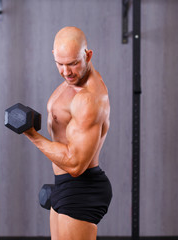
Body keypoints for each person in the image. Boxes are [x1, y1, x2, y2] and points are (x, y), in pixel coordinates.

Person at [23, 26, 112, 240]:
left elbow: (75, 164)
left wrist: (31, 134)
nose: (66, 72)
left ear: (88, 55)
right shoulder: (69, 82)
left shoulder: (88, 98)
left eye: (73, 63)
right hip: (65, 184)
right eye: (60, 64)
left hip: (82, 187)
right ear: (54, 56)